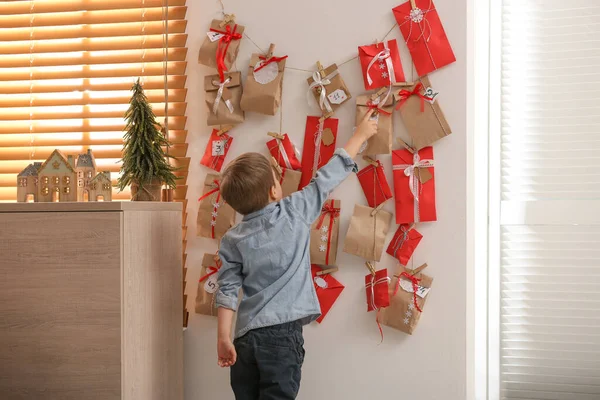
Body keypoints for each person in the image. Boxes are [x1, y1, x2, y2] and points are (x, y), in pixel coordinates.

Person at [215, 110, 378, 400]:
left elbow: (227, 290)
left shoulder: (232, 240)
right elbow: (327, 178)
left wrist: (223, 338)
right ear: (275, 190)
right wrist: (361, 134)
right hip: (281, 338)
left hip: (244, 339)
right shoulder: (295, 211)